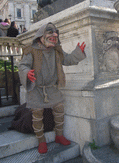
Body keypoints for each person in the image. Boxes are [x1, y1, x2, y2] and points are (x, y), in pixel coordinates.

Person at [19, 22, 86, 154]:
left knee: (59, 109)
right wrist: (27, 72)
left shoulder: (56, 51)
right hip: (36, 88)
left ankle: (59, 136)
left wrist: (78, 52)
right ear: (41, 36)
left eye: (56, 33)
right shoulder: (30, 50)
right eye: (51, 32)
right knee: (37, 115)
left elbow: (67, 59)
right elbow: (22, 65)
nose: (54, 35)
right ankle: (41, 141)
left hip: (52, 88)